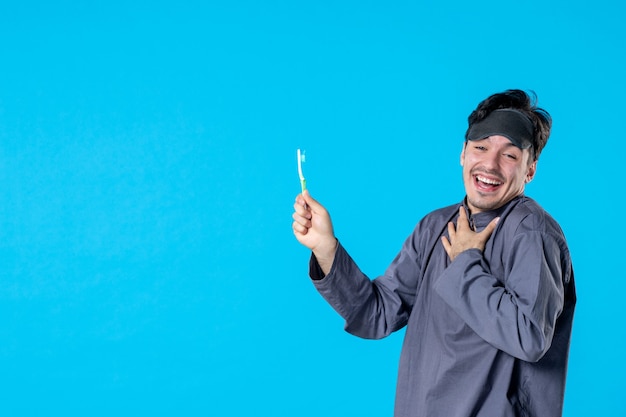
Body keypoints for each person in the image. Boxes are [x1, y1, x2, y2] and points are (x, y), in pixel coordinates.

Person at [291, 89, 576, 417]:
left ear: (530, 170)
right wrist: (326, 248)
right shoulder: (435, 227)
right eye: (481, 148)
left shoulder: (532, 234)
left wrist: (467, 263)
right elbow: (377, 313)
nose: (490, 164)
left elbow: (529, 337)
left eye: (510, 155)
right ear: (463, 153)